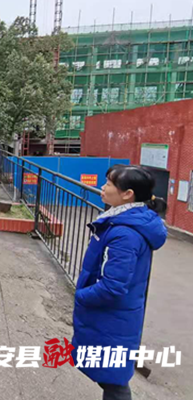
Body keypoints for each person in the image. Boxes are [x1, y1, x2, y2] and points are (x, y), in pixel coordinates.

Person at [71, 165, 167, 400]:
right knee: (111, 377)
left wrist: (81, 296)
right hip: (114, 315)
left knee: (114, 382)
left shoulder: (125, 234)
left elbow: (112, 286)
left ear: (128, 194)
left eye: (109, 184)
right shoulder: (123, 220)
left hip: (111, 318)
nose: (102, 187)